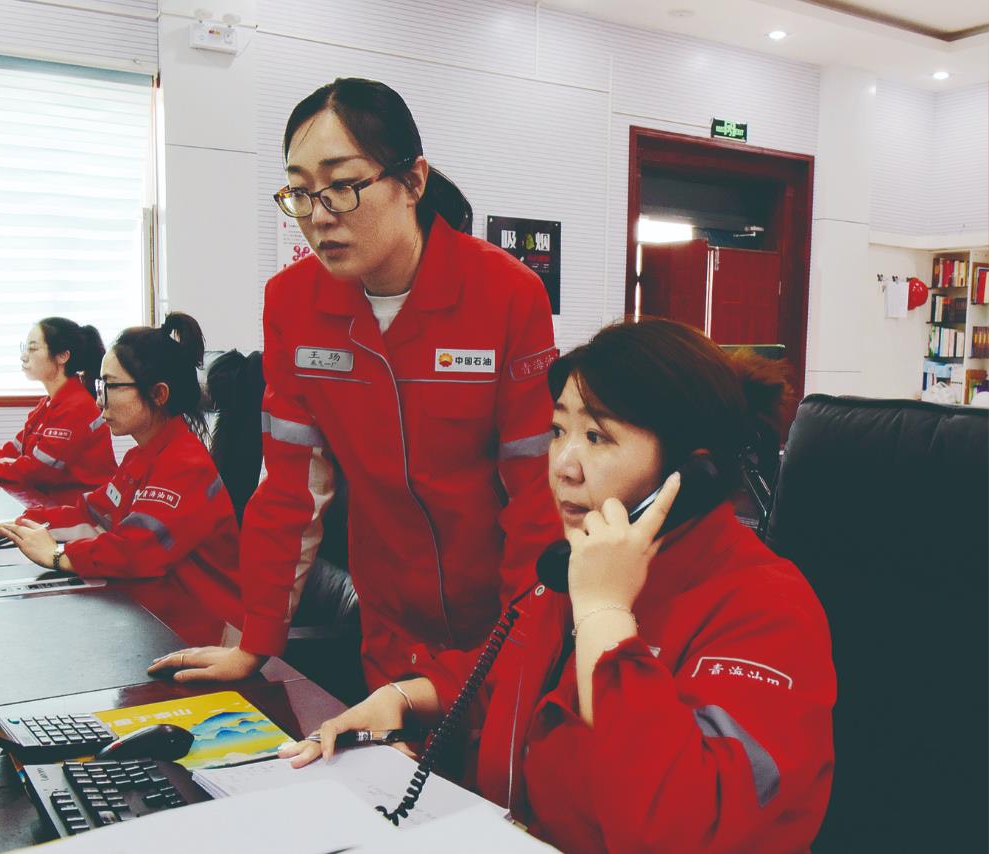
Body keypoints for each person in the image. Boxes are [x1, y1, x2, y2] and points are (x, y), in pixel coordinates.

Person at [283, 318, 836, 853]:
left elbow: (675, 827)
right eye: (557, 431)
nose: (563, 466)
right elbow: (503, 681)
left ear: (691, 473)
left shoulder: (766, 608)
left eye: (597, 436)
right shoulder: (580, 565)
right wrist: (402, 699)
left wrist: (605, 614)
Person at [150, 78, 560, 690]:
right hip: (389, 623)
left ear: (413, 181)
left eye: (342, 186)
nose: (318, 217)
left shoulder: (507, 295)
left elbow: (539, 497)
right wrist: (255, 639)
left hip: (501, 624)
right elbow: (290, 490)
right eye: (300, 192)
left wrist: (519, 641)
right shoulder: (293, 303)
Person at [0, 314, 242, 643]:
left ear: (159, 394)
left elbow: (134, 552)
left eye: (110, 386)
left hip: (206, 634)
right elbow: (90, 514)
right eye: (99, 386)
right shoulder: (140, 457)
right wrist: (5, 528)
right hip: (157, 617)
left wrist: (58, 557)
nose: (98, 400)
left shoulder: (185, 465)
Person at [0, 317, 116, 488]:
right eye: (25, 348)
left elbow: (39, 471)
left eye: (32, 349)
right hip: (51, 499)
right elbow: (12, 452)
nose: (24, 356)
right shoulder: (47, 405)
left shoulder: (77, 407)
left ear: (62, 356)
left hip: (76, 502)